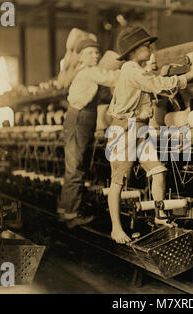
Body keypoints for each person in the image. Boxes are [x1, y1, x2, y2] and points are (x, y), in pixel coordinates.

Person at [106, 25, 193, 244]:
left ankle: (160, 216)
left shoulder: (136, 70)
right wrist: (190, 75)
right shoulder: (131, 70)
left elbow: (155, 82)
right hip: (124, 129)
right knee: (118, 181)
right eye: (146, 46)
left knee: (158, 171)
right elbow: (158, 84)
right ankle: (115, 228)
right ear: (133, 51)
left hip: (139, 128)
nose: (150, 49)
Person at [58, 38, 120, 228]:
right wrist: (132, 69)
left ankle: (66, 209)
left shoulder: (82, 72)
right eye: (91, 52)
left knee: (75, 166)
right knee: (76, 167)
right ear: (83, 56)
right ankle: (72, 215)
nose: (96, 55)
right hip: (80, 120)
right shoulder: (89, 72)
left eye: (97, 52)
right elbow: (112, 78)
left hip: (79, 119)